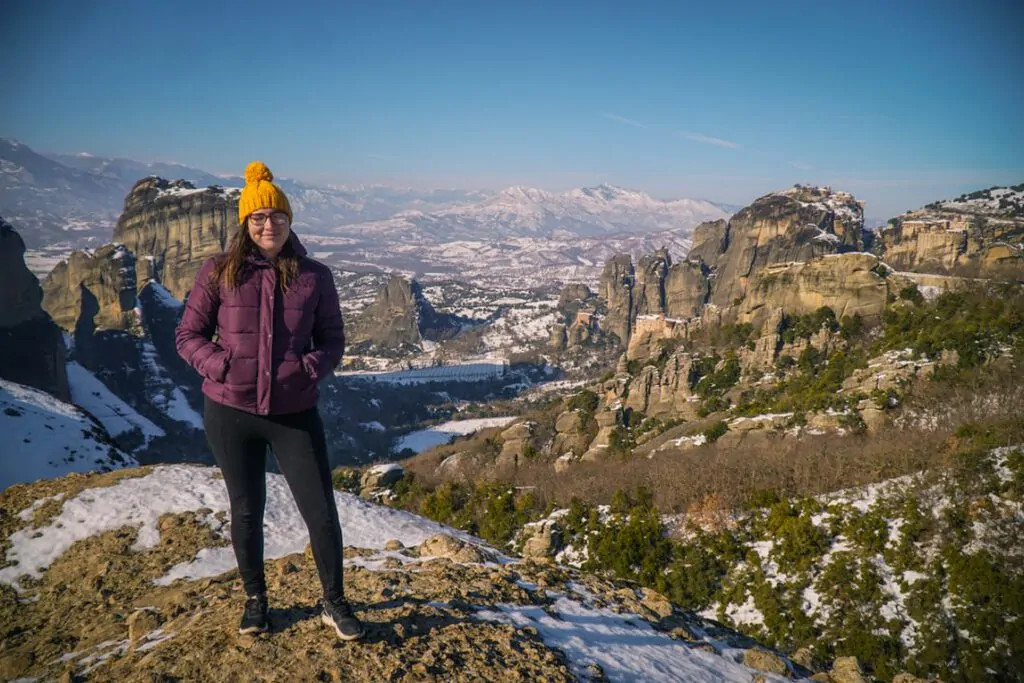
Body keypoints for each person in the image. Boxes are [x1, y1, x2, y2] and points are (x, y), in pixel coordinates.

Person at [175, 161, 363, 640]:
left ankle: (334, 601)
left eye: (276, 216)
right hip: (229, 411)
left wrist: (307, 370)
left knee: (320, 510)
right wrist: (222, 367)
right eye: (258, 218)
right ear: (245, 223)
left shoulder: (314, 276)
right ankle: (256, 601)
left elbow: (333, 339)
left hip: (294, 412)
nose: (268, 225)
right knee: (245, 509)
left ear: (289, 220)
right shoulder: (218, 271)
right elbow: (189, 335)